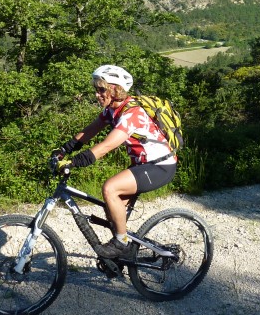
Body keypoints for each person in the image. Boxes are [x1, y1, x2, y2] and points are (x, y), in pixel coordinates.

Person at [55, 65, 177, 259]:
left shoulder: (132, 114)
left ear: (115, 89)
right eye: (96, 89)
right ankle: (124, 254)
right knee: (111, 210)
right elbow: (90, 131)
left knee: (110, 188)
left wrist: (74, 162)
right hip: (142, 165)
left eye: (101, 89)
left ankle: (121, 242)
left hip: (160, 166)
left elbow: (106, 146)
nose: (97, 94)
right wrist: (64, 150)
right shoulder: (112, 110)